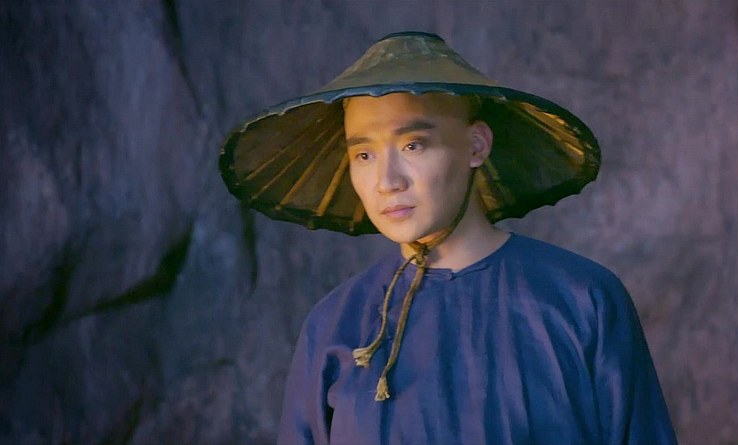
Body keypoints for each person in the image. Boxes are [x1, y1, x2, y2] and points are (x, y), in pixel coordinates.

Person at [220, 31, 677, 445]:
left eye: (412, 145)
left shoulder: (581, 299)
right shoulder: (335, 324)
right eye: (364, 154)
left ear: (477, 145)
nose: (387, 181)